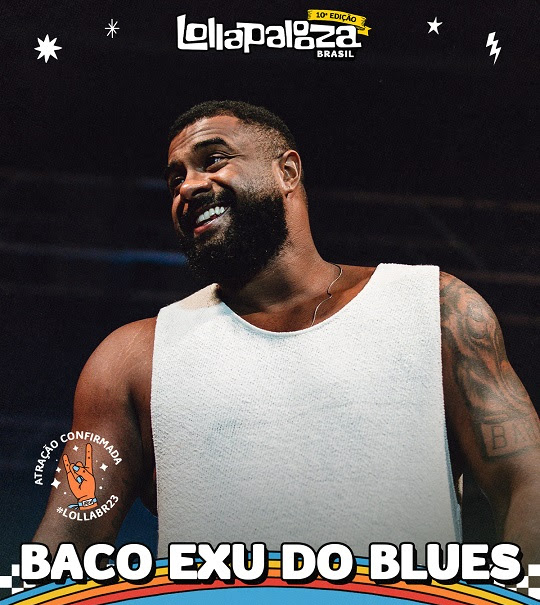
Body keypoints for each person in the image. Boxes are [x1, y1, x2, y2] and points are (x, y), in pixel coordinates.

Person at [34, 101, 540, 568]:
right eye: (175, 179)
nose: (187, 187)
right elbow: (63, 552)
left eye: (213, 160)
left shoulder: (433, 306)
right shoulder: (131, 359)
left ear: (287, 172)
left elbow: (527, 483)